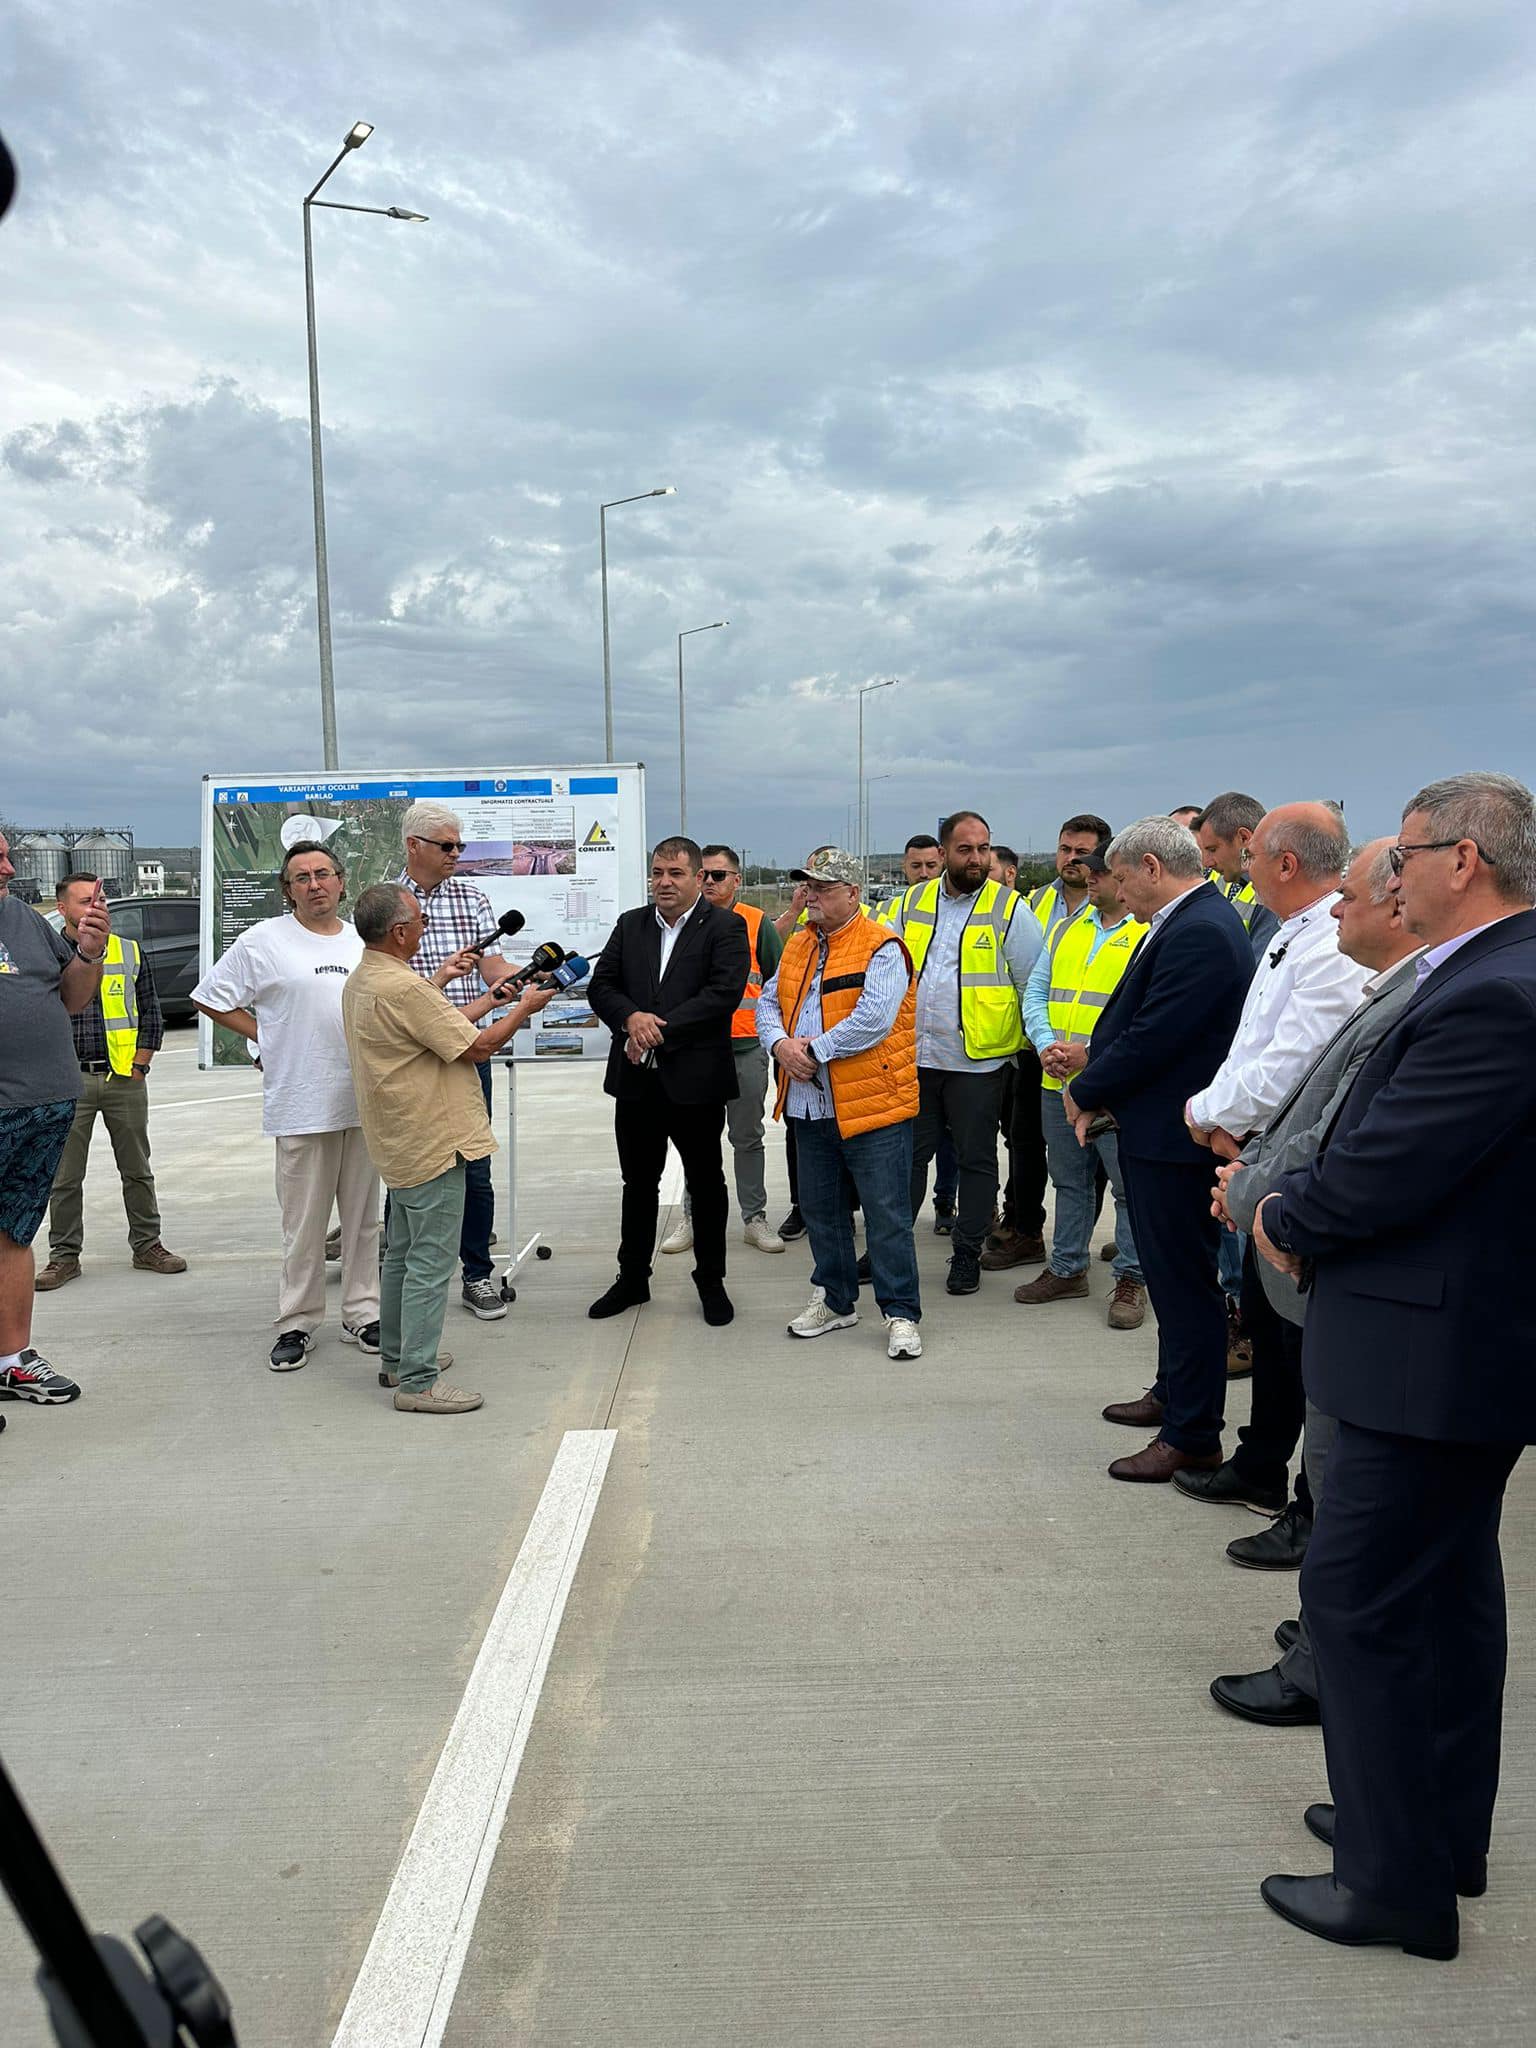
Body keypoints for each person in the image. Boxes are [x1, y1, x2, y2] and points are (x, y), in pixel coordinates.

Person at [1251, 771, 1536, 1960]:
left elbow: (1382, 1167)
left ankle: (1391, 1882)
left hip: (1425, 1358)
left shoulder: (1496, 993)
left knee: (1361, 1602)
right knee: (1447, 1598)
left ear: (1463, 860)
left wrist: (1282, 1213)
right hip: (1451, 1353)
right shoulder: (1489, 973)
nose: (1388, 877)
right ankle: (1427, 1832)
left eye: (1406, 855)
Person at [1204, 839, 1423, 1728]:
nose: (1337, 909)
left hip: (1370, 1299)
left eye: (1353, 895)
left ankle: (1328, 1672)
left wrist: (1259, 1199)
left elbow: (1342, 1142)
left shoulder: (1443, 997)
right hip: (1336, 1272)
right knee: (1340, 1494)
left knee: (1352, 1506)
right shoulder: (1400, 986)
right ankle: (1325, 1645)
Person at [1178, 805, 1369, 1556]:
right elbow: (1250, 1046)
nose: (1239, 865)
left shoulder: (1331, 944)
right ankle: (1261, 1463)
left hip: (1287, 1156)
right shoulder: (1292, 928)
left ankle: (1307, 1503)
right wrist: (1218, 1117)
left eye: (1252, 853)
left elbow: (1294, 1063)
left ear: (1286, 864)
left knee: (1296, 1339)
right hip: (1255, 1145)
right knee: (1266, 1321)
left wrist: (1207, 1114)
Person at [1063, 818, 1252, 1483]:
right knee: (1173, 1283)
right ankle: (1173, 1393)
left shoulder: (1201, 929)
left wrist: (1086, 1088)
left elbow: (1156, 1035)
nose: (1116, 891)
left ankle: (1192, 1433)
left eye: (1120, 878)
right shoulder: (1186, 920)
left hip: (1177, 1141)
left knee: (1185, 1285)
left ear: (1150, 867)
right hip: (1160, 1132)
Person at [342, 884, 554, 1412]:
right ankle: (418, 1381)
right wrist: (524, 1008)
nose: (425, 927)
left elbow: (436, 1025)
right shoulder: (404, 988)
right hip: (434, 1139)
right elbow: (478, 1046)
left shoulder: (366, 978)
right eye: (419, 921)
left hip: (400, 1139)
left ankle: (397, 1359)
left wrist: (487, 998)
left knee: (401, 1255)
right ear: (399, 932)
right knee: (432, 1263)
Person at [192, 840, 382, 1372]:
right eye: (302, 877)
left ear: (341, 881)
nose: (314, 885)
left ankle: (363, 1313)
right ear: (288, 889)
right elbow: (210, 997)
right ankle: (297, 1321)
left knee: (364, 1222)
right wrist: (265, 1036)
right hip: (302, 1102)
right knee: (303, 1225)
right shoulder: (263, 940)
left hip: (363, 1102)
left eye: (323, 873)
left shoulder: (362, 941)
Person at [757, 847, 921, 1359]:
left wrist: (812, 1051)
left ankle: (900, 1313)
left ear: (853, 893)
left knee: (886, 1216)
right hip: (810, 1107)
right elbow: (767, 1003)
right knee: (822, 1212)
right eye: (808, 887)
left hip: (872, 1107)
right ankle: (835, 1300)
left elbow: (874, 1019)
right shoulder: (798, 943)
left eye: (823, 888)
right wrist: (780, 1046)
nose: (811, 896)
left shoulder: (882, 945)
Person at [587, 837, 749, 1326]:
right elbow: (601, 986)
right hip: (636, 1082)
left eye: (675, 873)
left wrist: (655, 1029)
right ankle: (633, 1278)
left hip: (695, 1082)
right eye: (657, 872)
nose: (664, 882)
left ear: (698, 878)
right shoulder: (630, 924)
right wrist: (630, 1018)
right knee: (638, 1184)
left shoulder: (726, 926)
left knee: (706, 1183)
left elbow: (722, 994)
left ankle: (711, 1281)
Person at [883, 811, 1040, 1294]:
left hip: (979, 1062)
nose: (977, 858)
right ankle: (890, 1249)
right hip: (916, 1057)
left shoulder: (1009, 908)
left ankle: (967, 1251)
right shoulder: (910, 903)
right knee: (905, 1159)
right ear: (944, 852)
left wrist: (1032, 1047)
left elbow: (1031, 983)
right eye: (966, 849)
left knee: (976, 1160)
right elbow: (884, 968)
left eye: (983, 848)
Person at [0, 826, 112, 1410]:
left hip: (44, 1108)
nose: (9, 869)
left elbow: (72, 997)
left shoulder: (23, 918)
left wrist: (89, 952)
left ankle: (12, 1361)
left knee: (15, 1234)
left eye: (7, 856)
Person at [1015, 842, 1148, 1329]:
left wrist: (1089, 1054)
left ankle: (1132, 1277)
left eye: (1100, 872)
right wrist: (1046, 1044)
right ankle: (1068, 1267)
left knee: (1129, 1188)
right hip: (1057, 1080)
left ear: (1125, 877)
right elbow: (1036, 991)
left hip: (1116, 1085)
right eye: (1088, 871)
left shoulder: (1146, 935)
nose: (1089, 878)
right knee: (1069, 1181)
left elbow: (1146, 1016)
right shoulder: (1068, 928)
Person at [35, 870, 185, 1290]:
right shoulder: (46, 955)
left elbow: (151, 1012)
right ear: (61, 908)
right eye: (84, 901)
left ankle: (148, 1246)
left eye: (99, 900)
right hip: (67, 1083)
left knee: (137, 1170)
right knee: (65, 1177)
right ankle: (64, 1257)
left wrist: (140, 1064)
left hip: (123, 1079)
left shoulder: (127, 951)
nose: (94, 907)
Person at [392, 802, 505, 1323]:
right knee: (409, 1171)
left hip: (466, 1056)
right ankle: (400, 1274)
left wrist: (523, 978)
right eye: (447, 845)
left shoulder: (473, 897)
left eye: (460, 845)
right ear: (414, 846)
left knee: (475, 1170)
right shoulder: (386, 903)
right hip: (411, 1061)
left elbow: (493, 968)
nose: (457, 853)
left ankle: (477, 1274)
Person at [660, 844, 785, 1257]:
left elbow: (778, 984)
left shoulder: (757, 923)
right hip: (695, 1050)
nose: (710, 882)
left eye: (719, 875)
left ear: (736, 880)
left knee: (747, 1136)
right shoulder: (682, 924)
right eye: (705, 875)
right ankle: (694, 1217)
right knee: (697, 1140)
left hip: (745, 1048)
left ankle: (754, 1218)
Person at [880, 832, 959, 1231]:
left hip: (956, 1049)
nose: (924, 873)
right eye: (916, 866)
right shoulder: (895, 909)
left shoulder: (960, 908)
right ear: (904, 867)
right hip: (907, 1047)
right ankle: (899, 1227)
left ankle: (946, 1202)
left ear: (942, 862)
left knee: (953, 1140)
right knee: (913, 1144)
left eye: (931, 865)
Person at [1194, 792, 1281, 959]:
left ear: (1244, 838)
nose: (1207, 862)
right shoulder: (1230, 884)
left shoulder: (1274, 893)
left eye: (1213, 849)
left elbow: (1257, 970)